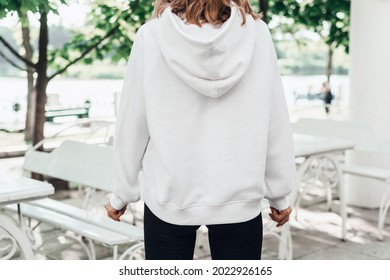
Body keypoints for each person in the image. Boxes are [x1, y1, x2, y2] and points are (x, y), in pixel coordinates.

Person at [104, 0, 295, 260]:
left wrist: (122, 193)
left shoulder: (152, 35)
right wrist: (280, 194)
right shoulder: (256, 32)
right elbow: (275, 120)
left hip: (169, 196)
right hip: (240, 198)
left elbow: (132, 121)